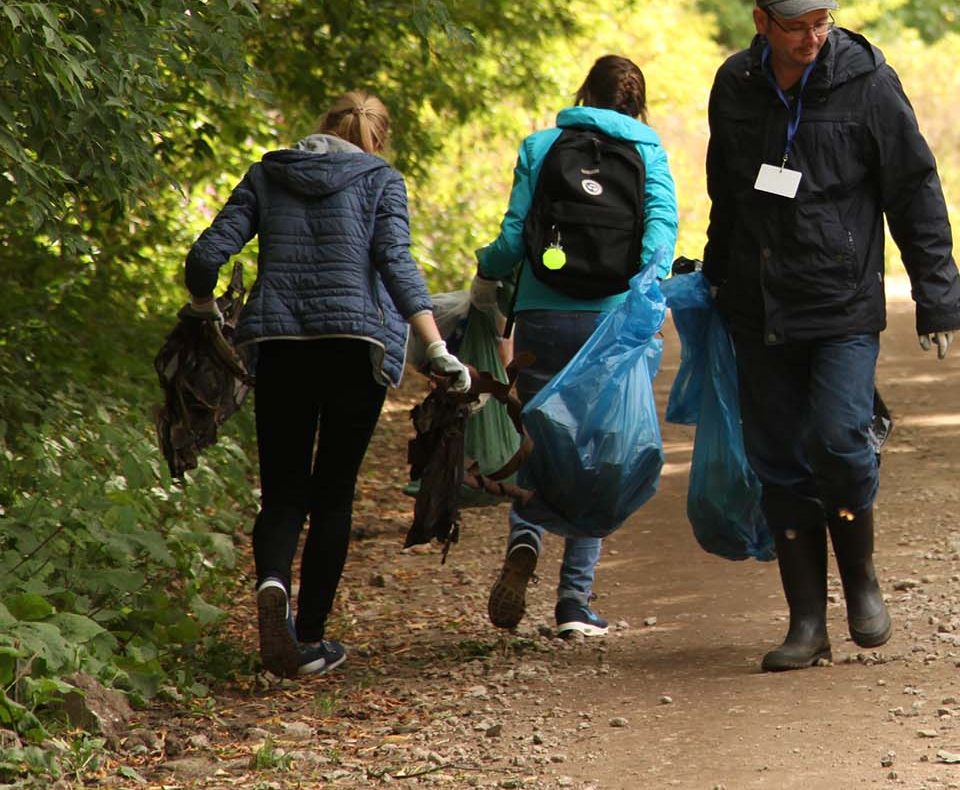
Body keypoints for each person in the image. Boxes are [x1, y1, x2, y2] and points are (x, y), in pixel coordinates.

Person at [703, 0, 960, 672]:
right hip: (760, 307)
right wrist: (713, 277)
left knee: (840, 442)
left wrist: (935, 294)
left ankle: (862, 579)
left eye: (823, 21)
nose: (814, 37)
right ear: (762, 24)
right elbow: (727, 190)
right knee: (780, 462)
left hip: (843, 301)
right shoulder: (735, 86)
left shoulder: (868, 83)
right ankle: (806, 624)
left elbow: (914, 189)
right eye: (797, 27)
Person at [184, 92, 471, 679]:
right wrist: (436, 346)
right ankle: (309, 638)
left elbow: (207, 254)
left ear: (321, 128)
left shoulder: (269, 173)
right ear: (377, 138)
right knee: (333, 495)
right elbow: (396, 262)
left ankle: (271, 585)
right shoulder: (381, 181)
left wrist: (203, 308)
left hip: (281, 349)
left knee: (283, 492)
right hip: (354, 351)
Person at [471, 55, 678, 638]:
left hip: (542, 314)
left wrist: (487, 274)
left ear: (584, 92)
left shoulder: (542, 145)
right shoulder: (648, 153)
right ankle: (573, 605)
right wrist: (642, 298)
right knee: (600, 456)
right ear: (637, 105)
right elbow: (660, 236)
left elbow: (514, 237)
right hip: (610, 326)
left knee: (541, 442)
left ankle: (526, 544)